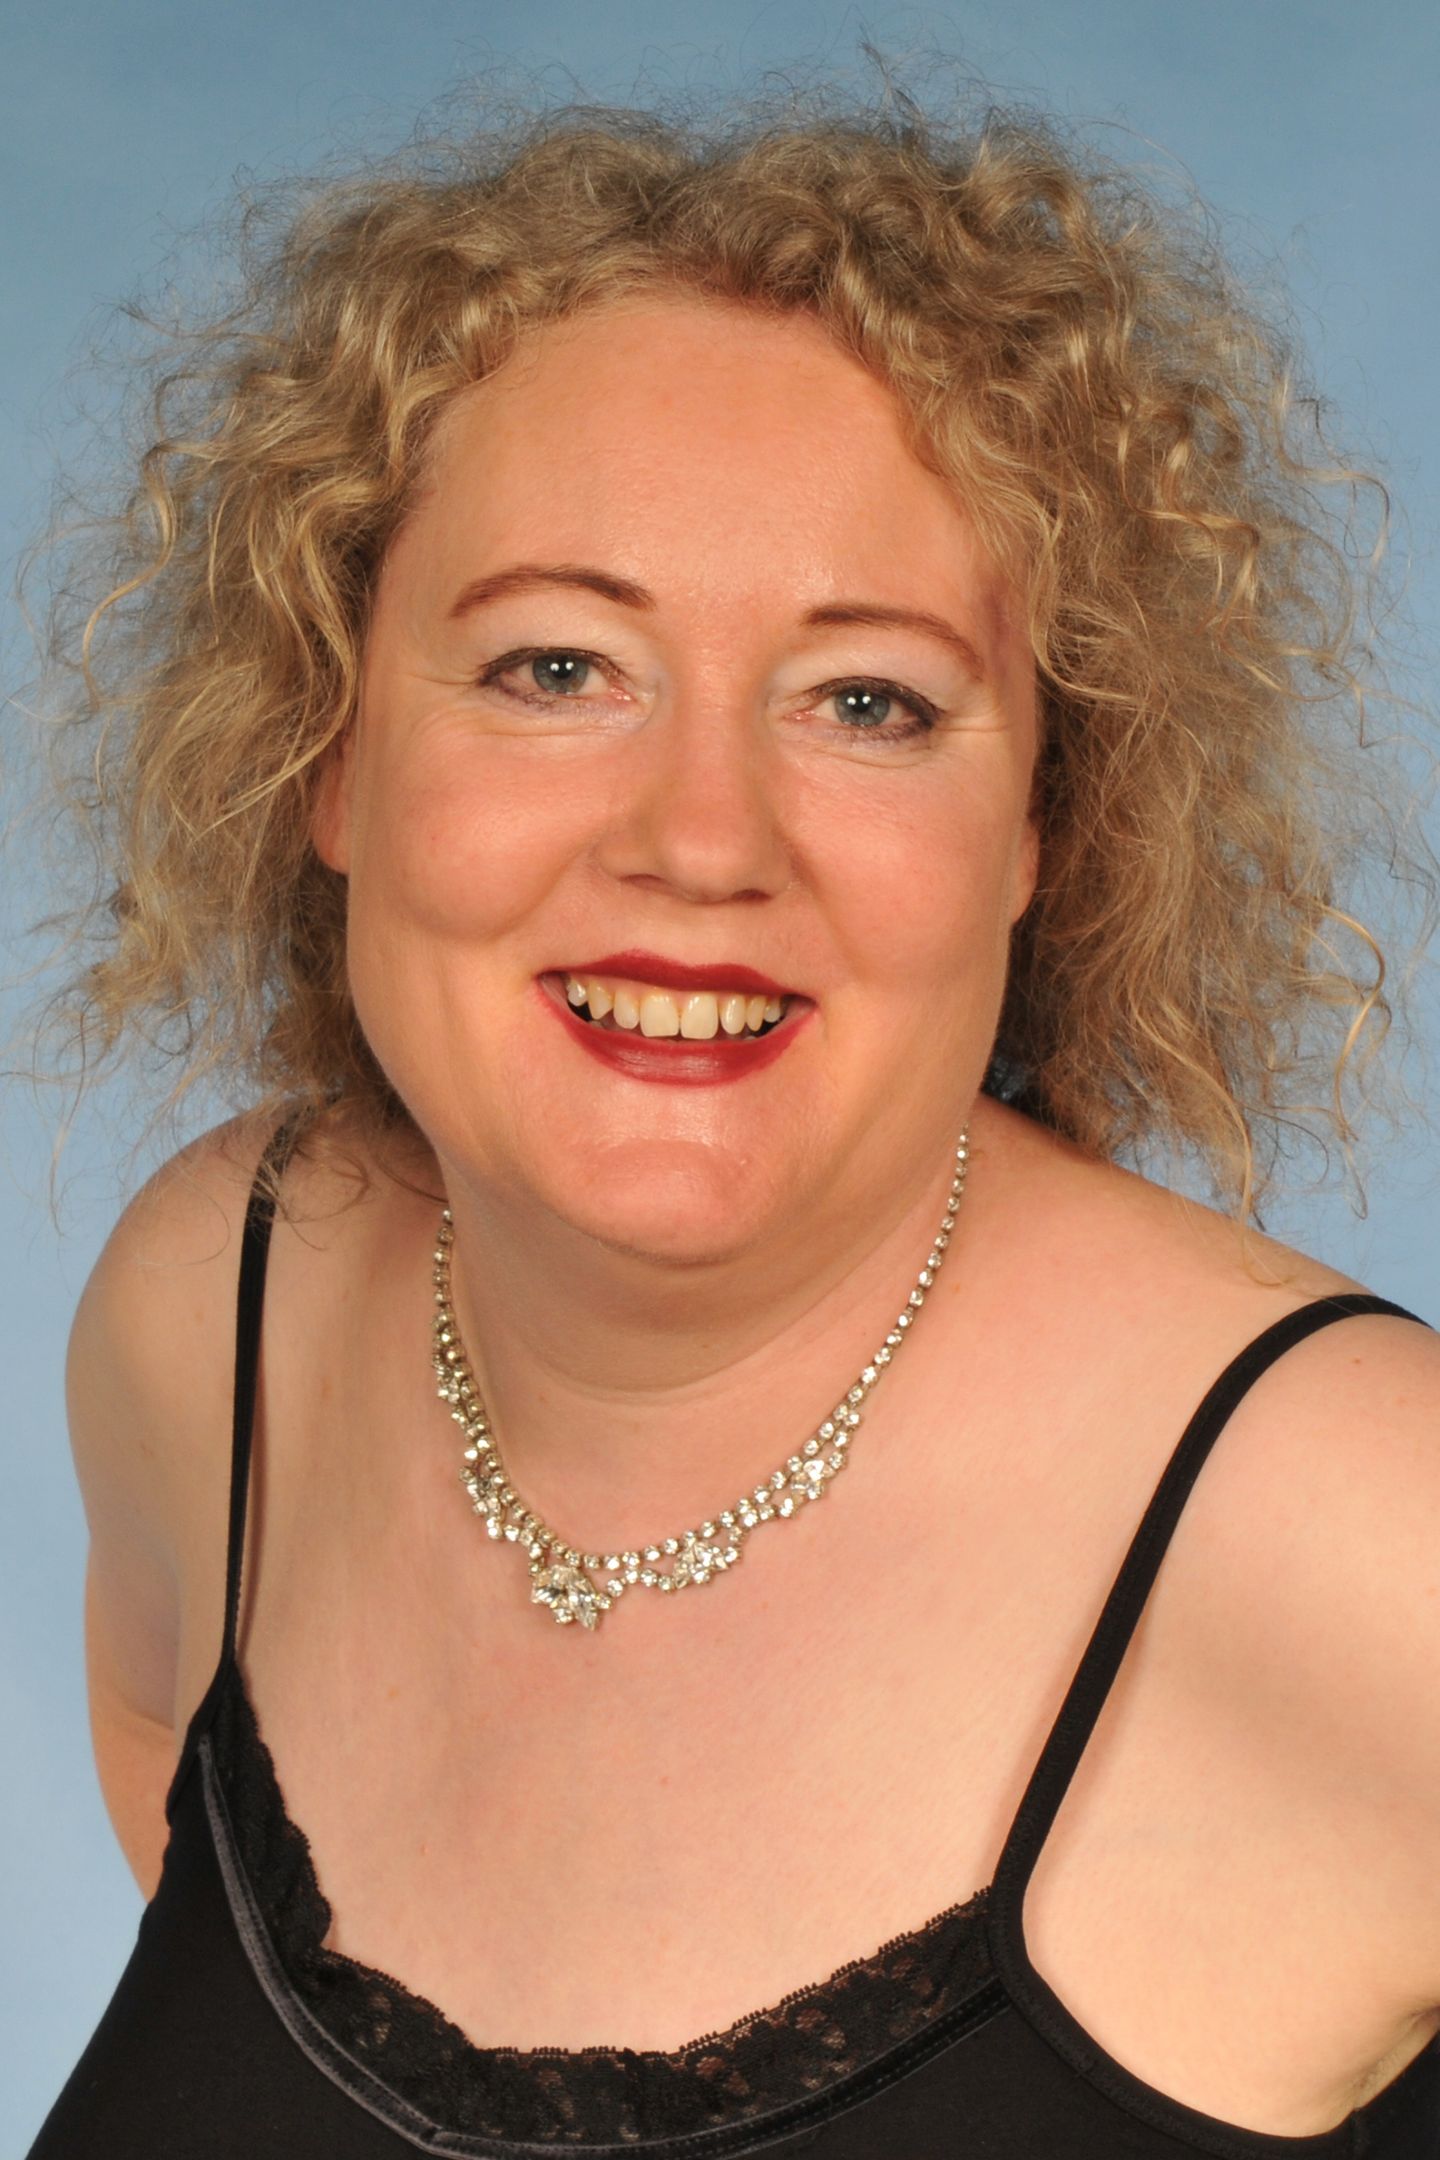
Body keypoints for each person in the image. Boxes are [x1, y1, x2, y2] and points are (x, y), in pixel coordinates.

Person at [23, 74, 1440, 2159]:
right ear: (329, 756)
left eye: (868, 702)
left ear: (1042, 831)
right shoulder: (224, 1310)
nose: (701, 840)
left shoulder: (1368, 1543)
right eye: (556, 669)